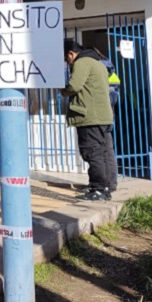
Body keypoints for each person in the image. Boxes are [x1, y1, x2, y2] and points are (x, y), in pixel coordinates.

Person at [61, 40, 118, 200]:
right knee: (104, 152)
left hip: (90, 117)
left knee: (93, 153)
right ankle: (106, 187)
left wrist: (61, 89)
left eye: (66, 59)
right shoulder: (98, 63)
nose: (68, 63)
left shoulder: (82, 63)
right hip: (103, 116)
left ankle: (99, 189)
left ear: (71, 54)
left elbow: (74, 86)